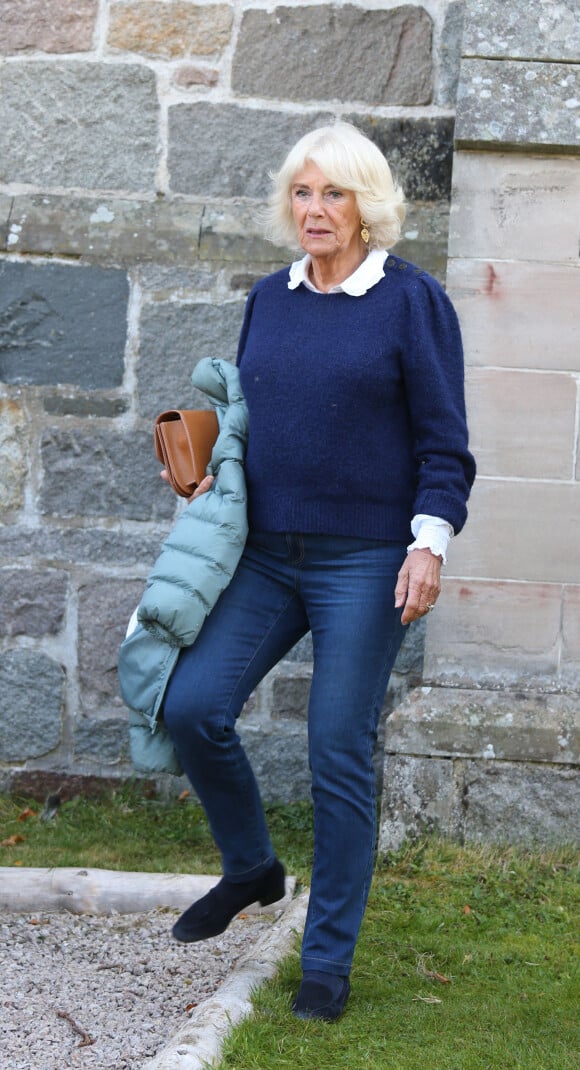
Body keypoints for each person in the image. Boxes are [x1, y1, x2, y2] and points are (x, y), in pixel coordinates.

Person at [161, 121, 475, 1022]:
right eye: (303, 193)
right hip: (266, 554)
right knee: (191, 707)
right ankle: (253, 867)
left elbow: (445, 445)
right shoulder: (272, 296)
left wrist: (428, 544)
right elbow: (263, 417)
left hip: (365, 559)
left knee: (337, 747)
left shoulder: (411, 302)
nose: (315, 210)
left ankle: (326, 961)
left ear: (367, 204)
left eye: (333, 193)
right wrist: (206, 457)